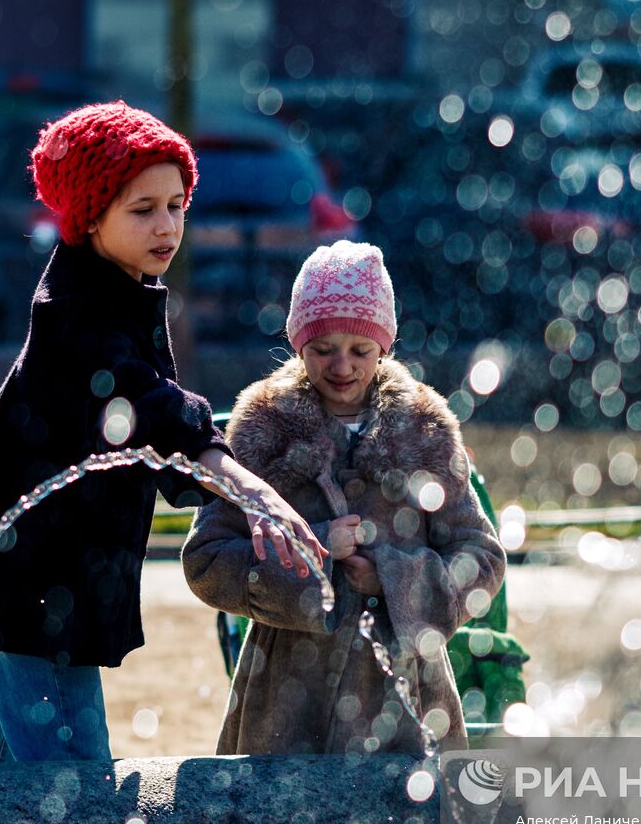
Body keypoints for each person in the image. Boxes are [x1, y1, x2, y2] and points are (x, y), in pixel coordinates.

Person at [0, 101, 324, 765]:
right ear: (88, 215)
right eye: (143, 209)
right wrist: (239, 478)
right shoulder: (75, 311)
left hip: (13, 570)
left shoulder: (118, 287)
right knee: (72, 780)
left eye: (177, 204)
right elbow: (145, 405)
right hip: (34, 584)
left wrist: (221, 463)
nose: (166, 225)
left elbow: (145, 423)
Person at [182, 240, 506, 754]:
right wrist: (306, 553)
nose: (342, 366)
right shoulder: (259, 430)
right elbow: (206, 560)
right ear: (296, 343)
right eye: (322, 349)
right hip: (282, 706)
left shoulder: (426, 428)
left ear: (385, 347)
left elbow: (482, 559)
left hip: (408, 706)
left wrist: (396, 577)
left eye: (360, 350)